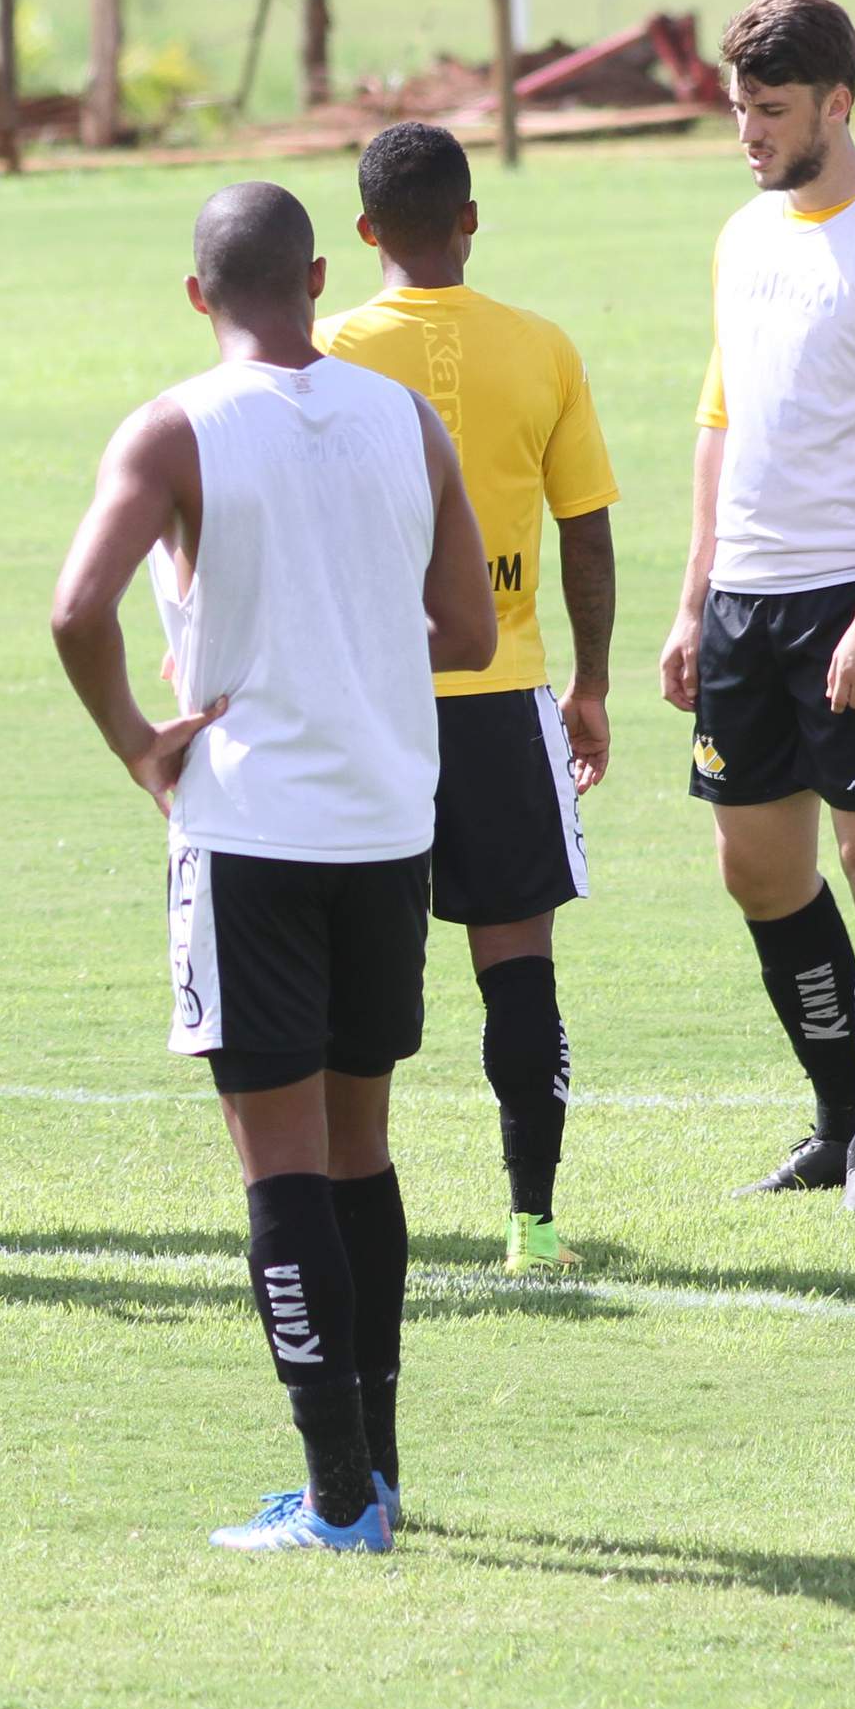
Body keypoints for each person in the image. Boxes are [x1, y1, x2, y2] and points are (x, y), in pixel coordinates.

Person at [50, 182, 495, 1551]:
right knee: (361, 1151)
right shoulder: (404, 417)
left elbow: (77, 611)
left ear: (199, 298)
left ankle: (339, 1497)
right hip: (383, 824)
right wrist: (354, 653)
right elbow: (470, 630)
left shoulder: (177, 426)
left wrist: (142, 745)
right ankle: (378, 1468)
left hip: (249, 833)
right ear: (318, 276)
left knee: (279, 1165)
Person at [657, 0, 855, 1211]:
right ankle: (834, 1113)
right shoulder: (743, 237)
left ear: (838, 104)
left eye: (772, 110)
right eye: (739, 108)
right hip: (746, 598)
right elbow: (718, 423)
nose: (749, 132)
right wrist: (693, 602)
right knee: (761, 872)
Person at [316, 122, 620, 1274]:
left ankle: (350, 1208)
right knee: (518, 965)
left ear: (362, 233)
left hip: (367, 702)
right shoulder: (541, 347)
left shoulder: (331, 350)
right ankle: (532, 1222)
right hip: (503, 698)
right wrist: (587, 684)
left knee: (356, 967)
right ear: (471, 219)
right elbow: (584, 529)